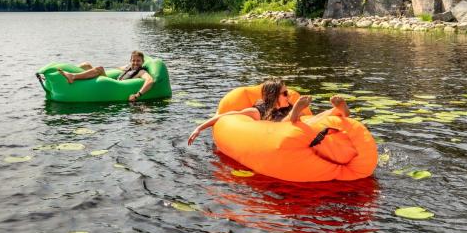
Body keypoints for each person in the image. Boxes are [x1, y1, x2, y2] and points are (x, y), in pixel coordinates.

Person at [187, 77, 350, 145]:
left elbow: (309, 121)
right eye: (284, 93)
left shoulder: (288, 105)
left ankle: (337, 110)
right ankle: (295, 117)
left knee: (311, 119)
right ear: (273, 96)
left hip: (295, 128)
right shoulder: (258, 110)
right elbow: (226, 115)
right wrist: (199, 128)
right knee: (290, 121)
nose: (288, 95)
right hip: (276, 133)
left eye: (288, 92)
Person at [57, 50, 153, 102]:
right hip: (113, 81)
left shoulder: (141, 72)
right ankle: (62, 76)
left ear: (142, 62)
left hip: (114, 86)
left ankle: (73, 77)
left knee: (99, 69)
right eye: (133, 60)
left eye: (138, 61)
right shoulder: (128, 67)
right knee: (86, 64)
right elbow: (117, 69)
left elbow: (150, 81)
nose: (135, 63)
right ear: (130, 60)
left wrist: (137, 95)